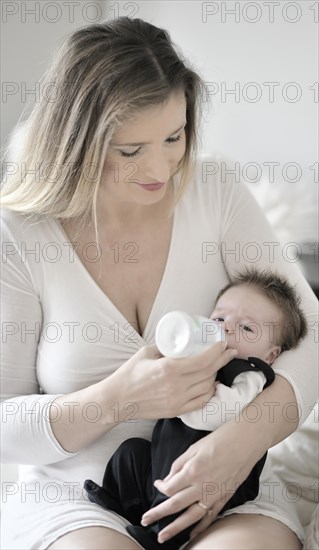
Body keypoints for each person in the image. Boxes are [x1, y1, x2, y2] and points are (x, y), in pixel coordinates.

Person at [0, 16, 317, 550]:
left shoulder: (213, 189)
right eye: (131, 151)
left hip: (226, 482)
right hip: (80, 493)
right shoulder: (20, 232)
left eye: (175, 136)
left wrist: (238, 445)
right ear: (76, 143)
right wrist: (117, 399)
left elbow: (311, 334)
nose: (162, 166)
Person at [84, 268, 307, 550]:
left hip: (212, 473)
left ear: (271, 354)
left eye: (246, 328)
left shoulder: (249, 372)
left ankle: (161, 538)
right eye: (219, 318)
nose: (226, 328)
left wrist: (187, 391)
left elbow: (216, 413)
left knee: (184, 487)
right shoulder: (202, 356)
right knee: (130, 451)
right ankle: (117, 500)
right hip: (161, 458)